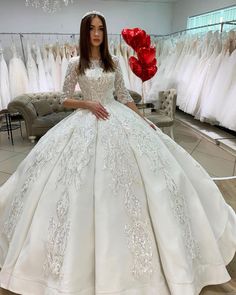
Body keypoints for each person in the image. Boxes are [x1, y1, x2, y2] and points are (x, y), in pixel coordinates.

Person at [0, 10, 235, 295]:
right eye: (91, 29)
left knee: (150, 177)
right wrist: (87, 104)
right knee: (70, 185)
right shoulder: (76, 63)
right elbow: (63, 97)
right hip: (86, 121)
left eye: (100, 28)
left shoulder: (114, 63)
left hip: (117, 118)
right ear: (84, 32)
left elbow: (123, 96)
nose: (96, 34)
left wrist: (142, 119)